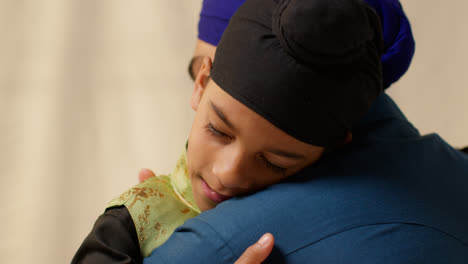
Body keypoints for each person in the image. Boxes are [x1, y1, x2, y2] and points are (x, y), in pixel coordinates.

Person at [74, 0, 468, 263]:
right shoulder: (139, 215)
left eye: (275, 161)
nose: (228, 173)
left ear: (332, 150)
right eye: (218, 128)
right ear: (203, 83)